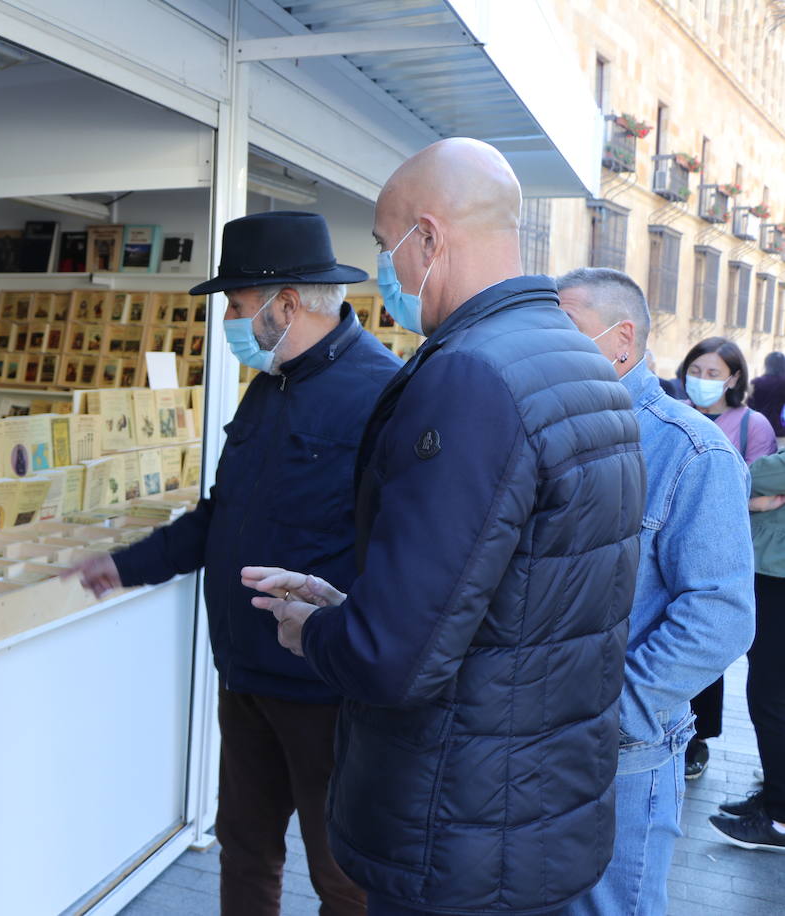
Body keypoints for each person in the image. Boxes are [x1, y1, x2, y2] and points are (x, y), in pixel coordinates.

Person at [241, 138, 644, 916]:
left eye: (382, 243)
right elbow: (512, 594)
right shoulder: (581, 358)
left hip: (456, 826)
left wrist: (313, 632)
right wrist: (347, 603)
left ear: (427, 238)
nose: (383, 268)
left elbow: (397, 657)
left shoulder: (471, 374)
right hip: (531, 809)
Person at [69, 210, 400, 916]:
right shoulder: (269, 384)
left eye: (236, 305)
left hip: (324, 691)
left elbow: (401, 552)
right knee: (246, 850)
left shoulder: (382, 393)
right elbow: (223, 517)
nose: (228, 319)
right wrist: (125, 566)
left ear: (284, 304)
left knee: (342, 872)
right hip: (244, 678)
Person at [555, 268, 754, 914]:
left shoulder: (691, 452)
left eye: (566, 332)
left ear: (621, 341)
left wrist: (613, 711)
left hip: (621, 759)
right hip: (533, 745)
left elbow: (720, 616)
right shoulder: (545, 430)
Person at [677, 336, 777, 779]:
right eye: (695, 371)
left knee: (703, 638)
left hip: (724, 549)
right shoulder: (673, 412)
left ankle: (697, 737)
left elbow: (766, 492)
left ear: (734, 378)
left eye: (713, 373)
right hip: (670, 544)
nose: (701, 381)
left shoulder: (750, 425)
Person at [708, 432, 785, 851]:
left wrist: (753, 494)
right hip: (774, 574)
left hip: (779, 579)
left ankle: (779, 815)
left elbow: (757, 472)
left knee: (769, 696)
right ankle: (777, 793)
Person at [748, 351, 785, 439]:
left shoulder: (755, 382)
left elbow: (750, 407)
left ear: (767, 364)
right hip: (780, 431)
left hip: (759, 429)